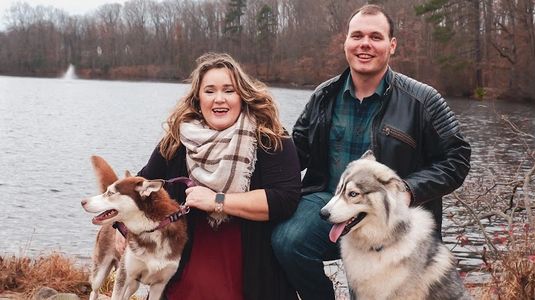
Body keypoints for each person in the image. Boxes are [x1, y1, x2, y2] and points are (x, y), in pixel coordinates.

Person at [271, 4, 471, 299]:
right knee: (286, 240)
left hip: (390, 219)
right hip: (328, 199)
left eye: (375, 37)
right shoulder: (324, 95)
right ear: (346, 43)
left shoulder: (423, 100)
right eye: (357, 36)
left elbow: (457, 158)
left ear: (392, 46)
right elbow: (294, 152)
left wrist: (407, 190)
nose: (365, 44)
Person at [135, 52, 301, 299]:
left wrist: (217, 200)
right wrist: (121, 228)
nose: (219, 99)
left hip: (253, 280)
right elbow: (142, 189)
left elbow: (285, 199)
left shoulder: (271, 139)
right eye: (210, 91)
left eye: (229, 90)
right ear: (198, 99)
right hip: (184, 280)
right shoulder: (176, 142)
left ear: (243, 96)